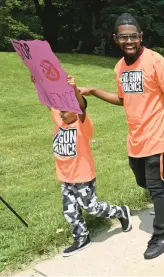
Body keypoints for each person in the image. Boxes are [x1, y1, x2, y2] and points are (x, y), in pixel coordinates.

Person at [79, 13, 164, 259]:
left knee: (155, 186)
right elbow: (123, 100)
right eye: (124, 37)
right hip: (136, 138)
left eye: (133, 36)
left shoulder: (155, 61)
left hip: (157, 135)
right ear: (115, 39)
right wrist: (92, 91)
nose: (129, 41)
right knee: (143, 182)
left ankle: (162, 234)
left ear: (141, 36)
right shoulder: (119, 67)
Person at [30, 75, 132, 257]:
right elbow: (48, 101)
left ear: (75, 111)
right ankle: (81, 238)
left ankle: (121, 211)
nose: (60, 113)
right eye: (60, 111)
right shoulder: (61, 119)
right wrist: (38, 82)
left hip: (83, 175)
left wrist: (75, 88)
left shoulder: (81, 124)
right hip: (65, 176)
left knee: (91, 207)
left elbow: (82, 106)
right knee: (70, 210)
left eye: (65, 111)